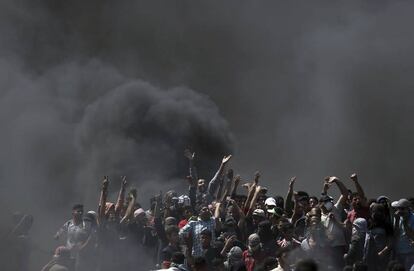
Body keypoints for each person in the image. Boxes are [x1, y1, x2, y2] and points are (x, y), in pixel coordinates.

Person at [392, 198, 414, 270]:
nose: (400, 211)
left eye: (402, 209)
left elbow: (412, 236)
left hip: (409, 252)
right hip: (398, 251)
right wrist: (397, 221)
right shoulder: (397, 217)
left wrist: (404, 222)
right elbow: (395, 234)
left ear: (408, 208)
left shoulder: (413, 218)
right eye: (398, 208)